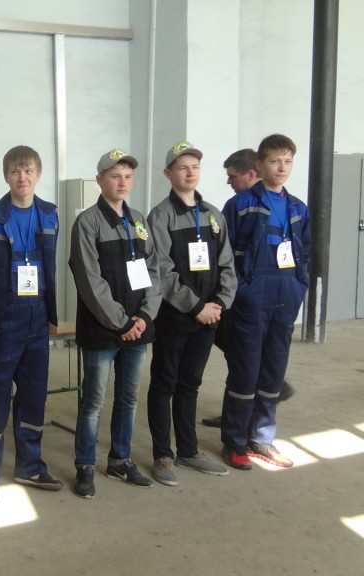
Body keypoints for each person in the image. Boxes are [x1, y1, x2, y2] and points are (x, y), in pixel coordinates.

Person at [0, 145, 63, 504]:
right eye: (16, 171)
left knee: (34, 396)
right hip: (3, 321)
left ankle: (30, 466)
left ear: (38, 175)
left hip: (37, 318)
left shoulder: (50, 215)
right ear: (6, 176)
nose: (22, 177)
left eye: (28, 170)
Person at [69, 148, 161, 499]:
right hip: (103, 328)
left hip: (138, 327)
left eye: (127, 176)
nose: (122, 182)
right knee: (93, 401)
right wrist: (122, 322)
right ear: (99, 180)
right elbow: (90, 281)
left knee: (128, 398)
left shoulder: (138, 220)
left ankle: (120, 460)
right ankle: (85, 465)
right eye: (114, 176)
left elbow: (153, 271)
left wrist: (145, 315)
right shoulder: (88, 222)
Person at [144, 141, 236, 486]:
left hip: (209, 317)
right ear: (168, 173)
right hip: (175, 318)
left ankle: (188, 450)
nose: (190, 172)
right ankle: (162, 454)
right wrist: (196, 307)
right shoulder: (160, 217)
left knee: (190, 384)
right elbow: (162, 271)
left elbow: (227, 264)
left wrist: (219, 304)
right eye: (183, 167)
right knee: (164, 384)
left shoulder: (213, 215)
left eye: (195, 166)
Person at [219, 134, 310, 470]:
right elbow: (225, 255)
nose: (282, 168)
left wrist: (299, 286)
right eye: (274, 161)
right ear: (259, 165)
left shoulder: (298, 207)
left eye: (287, 161)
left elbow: (306, 251)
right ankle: (235, 441)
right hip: (252, 296)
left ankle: (261, 439)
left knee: (273, 371)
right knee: (245, 371)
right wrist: (242, 290)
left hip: (286, 294)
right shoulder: (241, 204)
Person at [201, 148, 295, 428]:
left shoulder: (289, 207)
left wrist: (296, 287)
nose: (229, 181)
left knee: (248, 355)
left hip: (259, 297)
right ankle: (238, 413)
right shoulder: (238, 206)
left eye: (233, 176)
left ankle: (252, 413)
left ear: (251, 174)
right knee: (239, 355)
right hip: (240, 294)